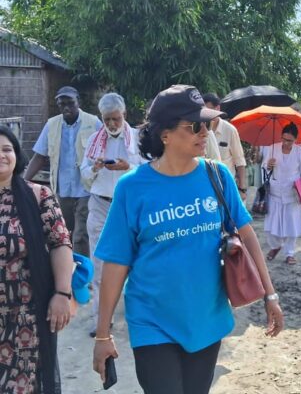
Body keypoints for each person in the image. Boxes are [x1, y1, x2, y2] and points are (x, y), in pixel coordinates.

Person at [92, 85, 284, 394]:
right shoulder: (133, 187)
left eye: (206, 124)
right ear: (165, 134)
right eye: (194, 126)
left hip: (206, 319)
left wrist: (270, 296)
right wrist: (103, 335)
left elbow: (247, 237)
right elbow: (116, 262)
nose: (204, 132)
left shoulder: (217, 176)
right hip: (152, 322)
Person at [0, 126, 73, 393]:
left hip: (25, 317)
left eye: (7, 149)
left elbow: (60, 243)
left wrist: (62, 294)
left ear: (17, 154)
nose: (1, 155)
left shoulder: (38, 195)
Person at [80, 93, 145, 337]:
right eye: (107, 119)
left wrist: (128, 166)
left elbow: (151, 170)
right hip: (100, 204)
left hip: (130, 206)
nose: (112, 124)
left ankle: (139, 317)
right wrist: (95, 167)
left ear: (124, 115)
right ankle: (101, 321)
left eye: (116, 119)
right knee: (99, 262)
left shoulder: (138, 138)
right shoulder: (95, 141)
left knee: (137, 261)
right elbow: (84, 176)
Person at [24, 86, 103, 257]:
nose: (66, 107)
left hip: (86, 187)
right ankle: (66, 269)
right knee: (62, 231)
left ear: (78, 102)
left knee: (81, 234)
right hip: (62, 189)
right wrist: (23, 181)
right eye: (62, 104)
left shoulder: (93, 123)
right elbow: (39, 156)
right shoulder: (52, 125)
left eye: (70, 103)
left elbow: (106, 151)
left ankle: (82, 274)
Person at [263, 123, 301, 265]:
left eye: (289, 140)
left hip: (293, 192)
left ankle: (290, 253)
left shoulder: (300, 152)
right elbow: (264, 168)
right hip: (275, 191)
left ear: (296, 139)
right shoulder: (272, 148)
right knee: (271, 226)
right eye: (284, 139)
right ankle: (275, 246)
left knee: (292, 225)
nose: (285, 142)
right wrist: (268, 165)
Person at [202, 93, 248, 200]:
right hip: (207, 185)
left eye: (209, 110)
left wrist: (242, 189)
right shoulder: (200, 130)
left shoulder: (230, 130)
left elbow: (239, 161)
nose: (206, 114)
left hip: (226, 184)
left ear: (217, 108)